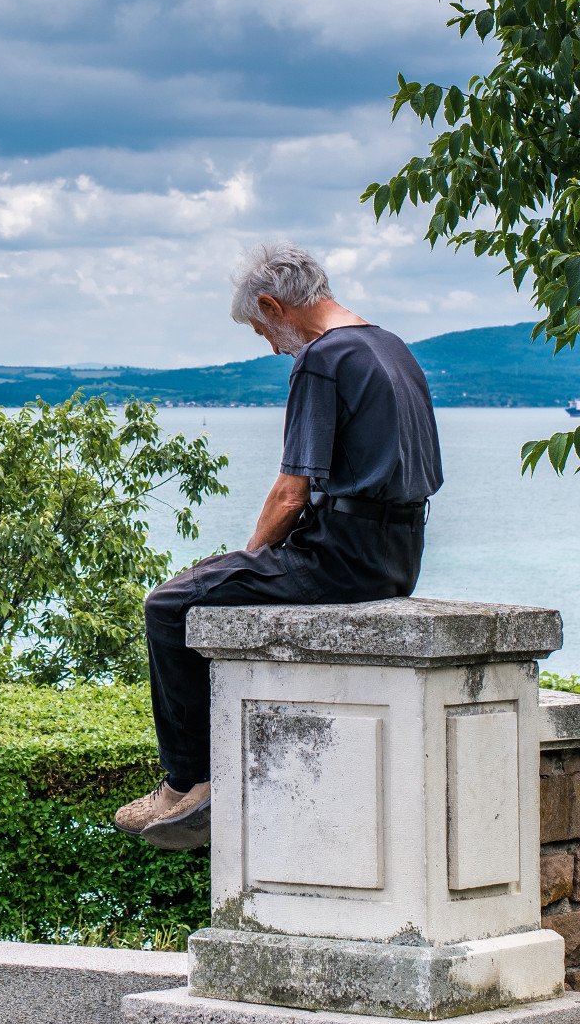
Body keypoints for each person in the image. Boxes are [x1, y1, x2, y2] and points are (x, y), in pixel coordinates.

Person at [115, 240, 442, 851]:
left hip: (340, 559)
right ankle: (194, 781)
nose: (268, 344)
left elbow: (291, 493)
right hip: (401, 555)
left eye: (263, 329)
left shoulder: (323, 358)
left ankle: (187, 782)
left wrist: (249, 559)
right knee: (213, 587)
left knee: (169, 605)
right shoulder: (391, 346)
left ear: (275, 304)